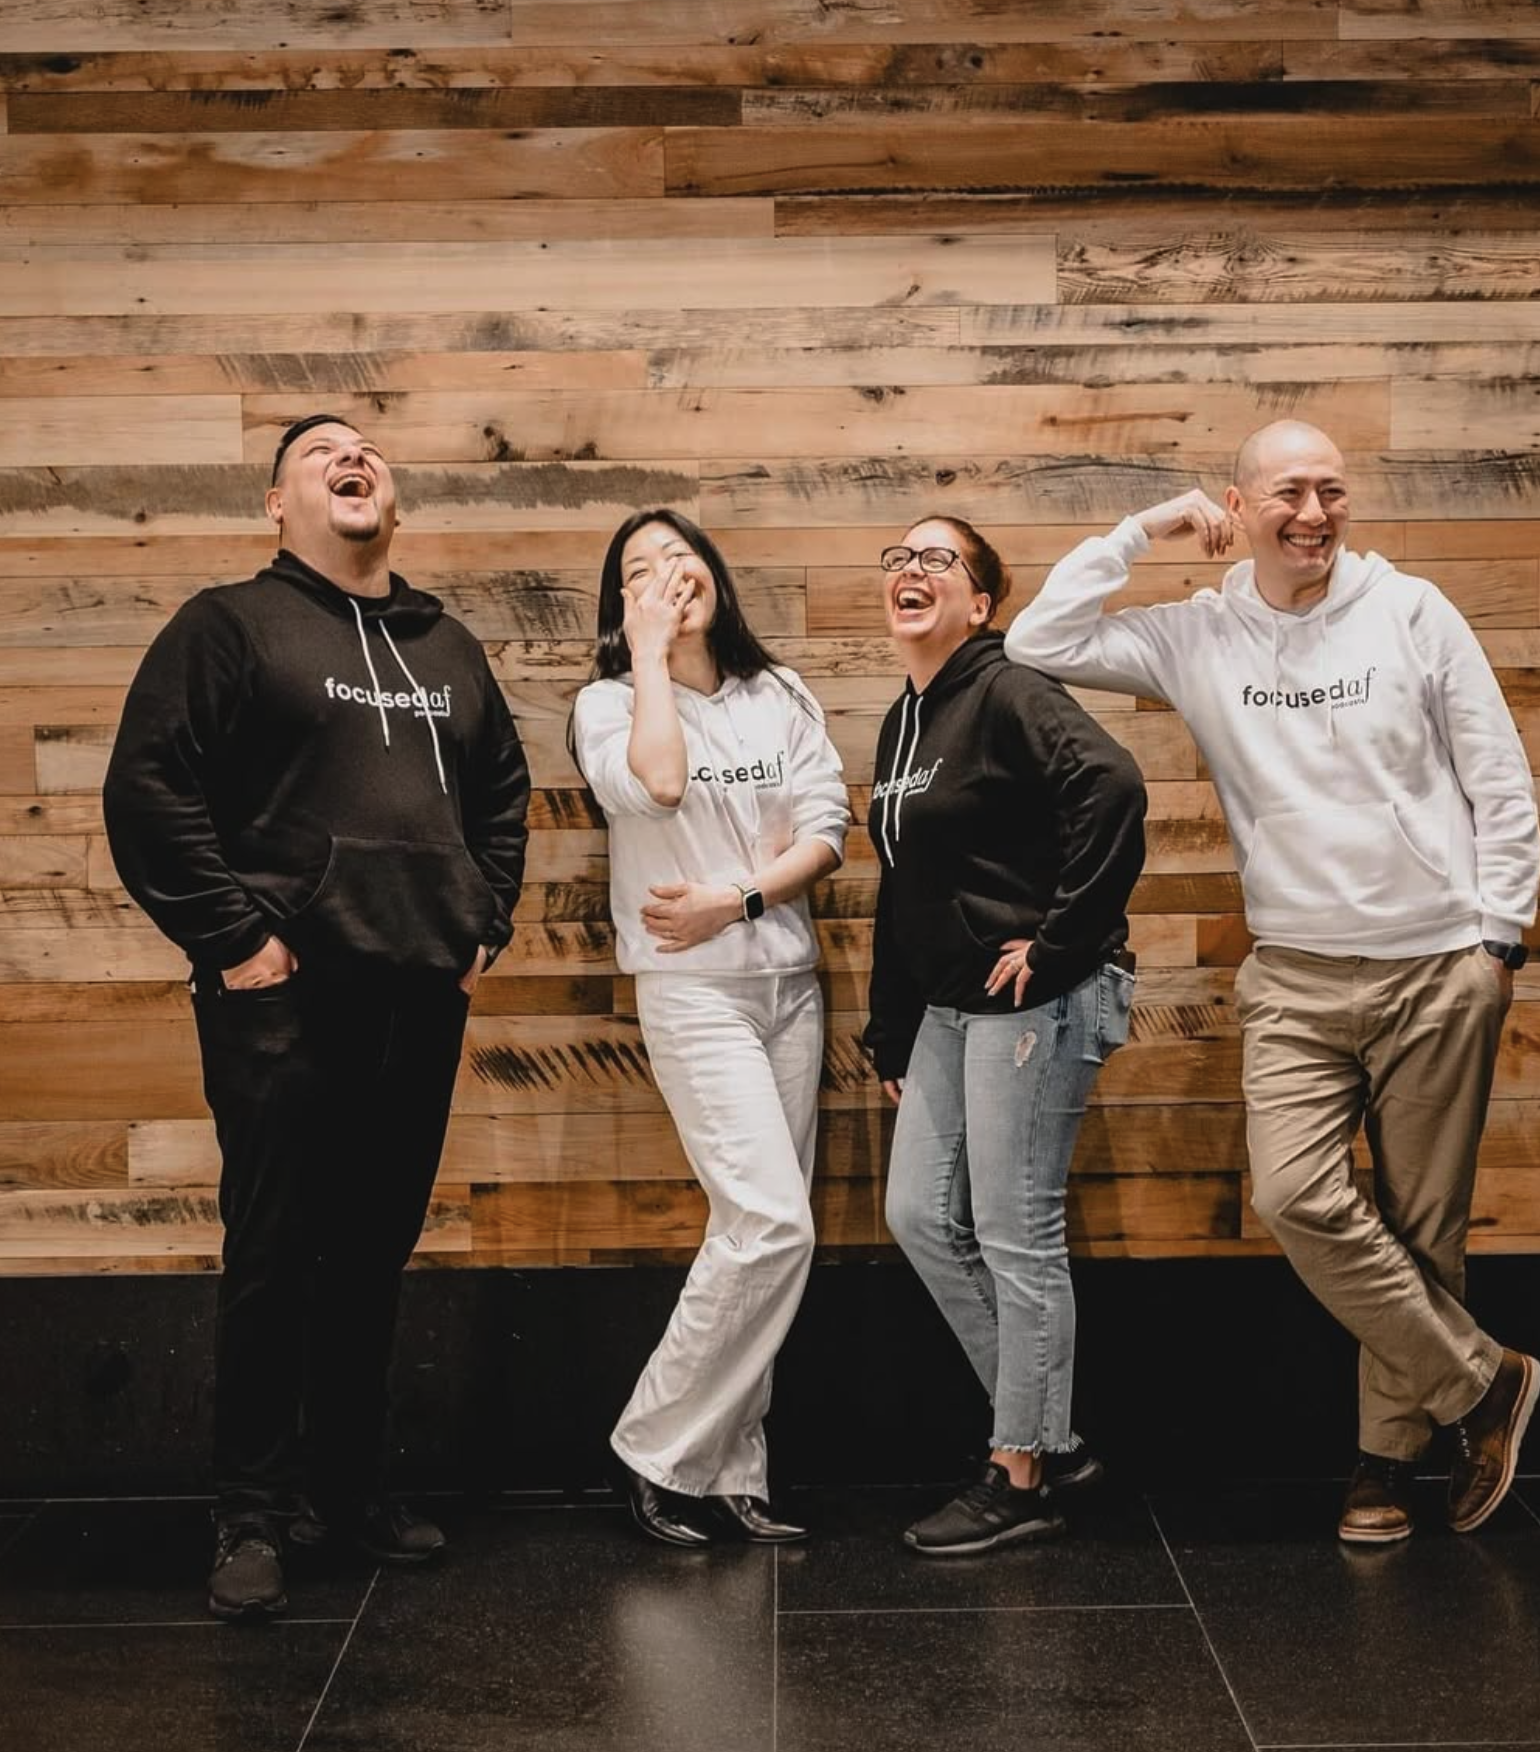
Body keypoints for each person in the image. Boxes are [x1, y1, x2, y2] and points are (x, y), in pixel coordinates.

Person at [1005, 419, 1540, 1545]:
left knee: (1420, 1225)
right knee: (1295, 1197)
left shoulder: (1412, 612)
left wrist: (1498, 941)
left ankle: (1383, 1471)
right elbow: (1038, 638)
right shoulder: (1196, 636)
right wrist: (1146, 525)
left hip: (1439, 964)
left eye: (1333, 492)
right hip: (1295, 976)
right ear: (1240, 507)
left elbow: (1498, 775)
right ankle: (1482, 1383)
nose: (1314, 514)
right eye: (1289, 493)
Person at [103, 413, 530, 1619]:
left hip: (417, 992)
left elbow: (501, 787)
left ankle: (347, 1490)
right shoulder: (230, 625)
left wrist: (480, 925)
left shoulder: (446, 643)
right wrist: (238, 943)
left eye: (367, 450)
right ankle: (251, 1510)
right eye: (319, 453)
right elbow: (148, 790)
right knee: (278, 1251)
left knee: (371, 1253)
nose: (353, 457)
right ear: (277, 508)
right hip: (285, 997)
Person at [865, 514, 1147, 1556]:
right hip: (950, 1009)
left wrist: (1064, 943)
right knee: (919, 1217)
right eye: (899, 557)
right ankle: (1053, 1433)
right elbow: (909, 883)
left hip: (1036, 1000)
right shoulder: (907, 718)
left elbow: (1112, 787)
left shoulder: (1009, 686)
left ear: (981, 602)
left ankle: (1020, 1471)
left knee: (1018, 1236)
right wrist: (891, 1033)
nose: (910, 569)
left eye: (936, 558)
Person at [570, 508, 849, 1547]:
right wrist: (647, 655)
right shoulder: (606, 705)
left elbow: (826, 830)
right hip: (694, 996)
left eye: (682, 558)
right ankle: (652, 1448)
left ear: (717, 576)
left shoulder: (778, 695)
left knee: (755, 1237)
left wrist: (736, 900)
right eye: (640, 570)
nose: (669, 576)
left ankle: (732, 1466)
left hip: (787, 984)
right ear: (622, 603)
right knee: (774, 1224)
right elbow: (659, 781)